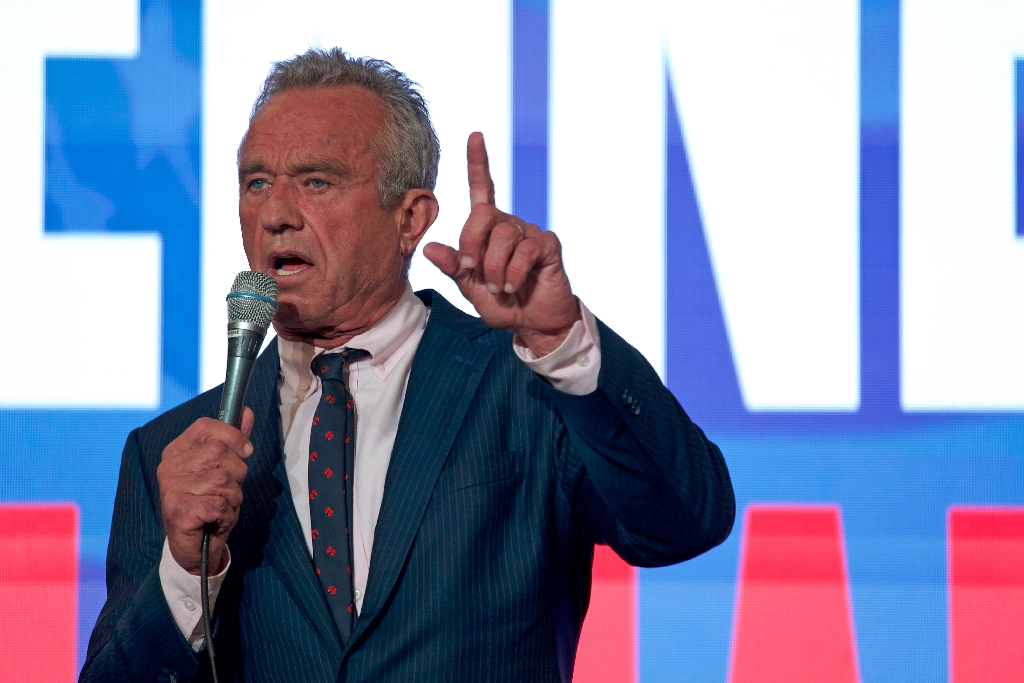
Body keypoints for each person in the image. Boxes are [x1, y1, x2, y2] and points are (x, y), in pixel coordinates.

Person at [80, 48, 734, 683]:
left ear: (410, 218)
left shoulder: (527, 388)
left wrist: (562, 339)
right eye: (257, 183)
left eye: (316, 182)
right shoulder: (174, 453)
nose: (274, 214)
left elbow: (684, 524)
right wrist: (184, 570)